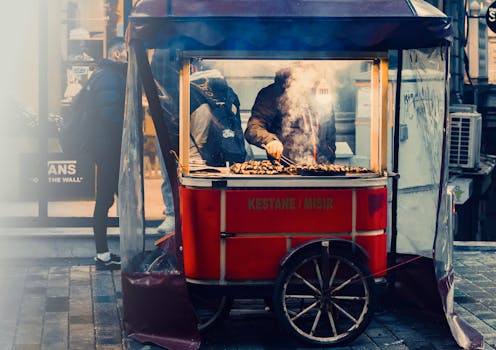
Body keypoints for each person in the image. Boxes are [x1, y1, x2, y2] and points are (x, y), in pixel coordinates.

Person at [245, 65, 336, 164]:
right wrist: (271, 141)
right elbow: (253, 128)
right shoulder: (273, 93)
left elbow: (330, 134)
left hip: (322, 169)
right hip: (287, 169)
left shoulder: (321, 94)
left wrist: (330, 153)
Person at [89, 38, 127, 270]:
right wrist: (127, 135)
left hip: (106, 147)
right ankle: (102, 254)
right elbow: (111, 115)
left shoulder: (108, 75)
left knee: (109, 198)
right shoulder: (111, 78)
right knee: (105, 199)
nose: (129, 58)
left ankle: (105, 252)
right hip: (108, 148)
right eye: (127, 53)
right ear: (117, 55)